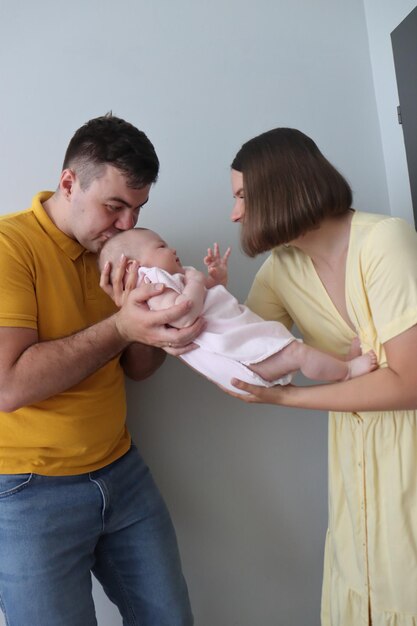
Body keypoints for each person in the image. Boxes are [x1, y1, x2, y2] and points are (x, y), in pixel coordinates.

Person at [0, 114, 203, 626]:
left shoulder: (120, 248)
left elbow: (140, 370)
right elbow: (8, 385)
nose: (128, 224)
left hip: (122, 470)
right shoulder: (9, 247)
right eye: (115, 205)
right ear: (69, 183)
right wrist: (121, 328)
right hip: (27, 492)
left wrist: (146, 322)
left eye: (138, 208)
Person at [225, 127, 417, 626]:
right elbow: (240, 362)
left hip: (410, 446)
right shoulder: (281, 269)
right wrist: (184, 301)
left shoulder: (384, 240)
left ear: (280, 186)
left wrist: (289, 399)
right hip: (356, 458)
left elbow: (410, 384)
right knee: (364, 581)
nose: (236, 214)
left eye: (242, 196)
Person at [99, 227, 377, 394]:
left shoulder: (179, 278)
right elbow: (183, 315)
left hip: (241, 346)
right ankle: (347, 372)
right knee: (297, 352)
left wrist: (216, 278)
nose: (171, 249)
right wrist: (196, 281)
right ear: (136, 267)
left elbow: (206, 293)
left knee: (295, 348)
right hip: (239, 359)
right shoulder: (153, 287)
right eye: (160, 246)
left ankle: (342, 361)